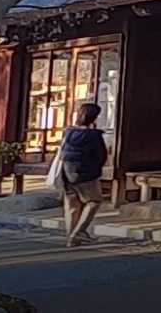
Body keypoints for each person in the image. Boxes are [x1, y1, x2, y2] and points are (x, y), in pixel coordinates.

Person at [59, 103, 108, 247]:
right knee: (94, 201)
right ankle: (79, 232)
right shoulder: (93, 136)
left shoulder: (68, 132)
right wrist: (97, 169)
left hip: (66, 171)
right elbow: (101, 156)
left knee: (72, 204)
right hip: (86, 173)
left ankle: (71, 237)